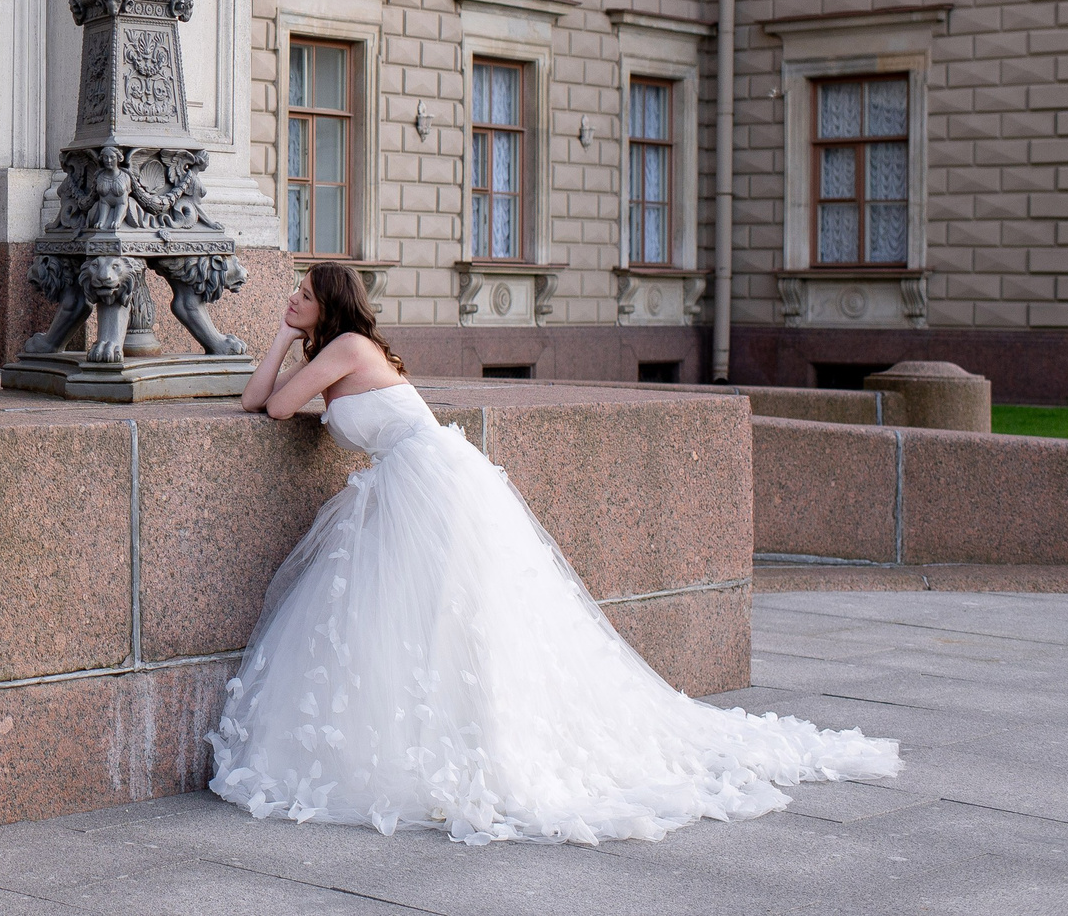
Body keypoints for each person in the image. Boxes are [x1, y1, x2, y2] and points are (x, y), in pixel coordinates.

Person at [210, 262, 899, 844]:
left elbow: (276, 408)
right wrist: (283, 335)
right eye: (294, 293)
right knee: (420, 622)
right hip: (407, 483)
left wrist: (286, 340)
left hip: (430, 483)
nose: (292, 298)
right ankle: (437, 732)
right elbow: (256, 399)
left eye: (303, 294)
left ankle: (481, 742)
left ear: (330, 305)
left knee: (454, 618)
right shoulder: (335, 351)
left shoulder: (348, 346)